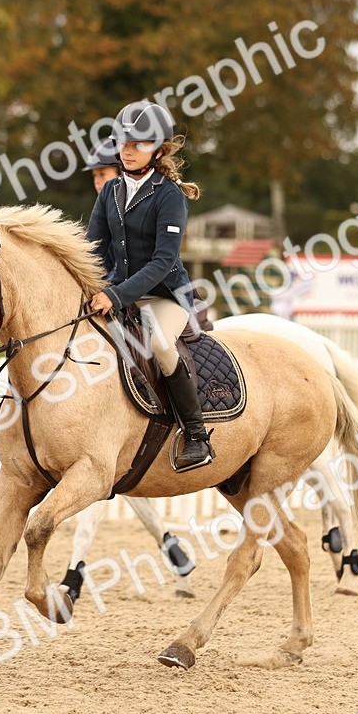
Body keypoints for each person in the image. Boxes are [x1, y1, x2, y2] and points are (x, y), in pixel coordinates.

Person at [85, 101, 214, 472]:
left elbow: (162, 262)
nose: (127, 150)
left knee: (158, 344)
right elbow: (93, 250)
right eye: (123, 143)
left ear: (158, 150)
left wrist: (114, 294)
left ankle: (196, 435)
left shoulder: (169, 195)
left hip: (165, 295)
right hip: (120, 293)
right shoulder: (110, 191)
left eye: (138, 144)